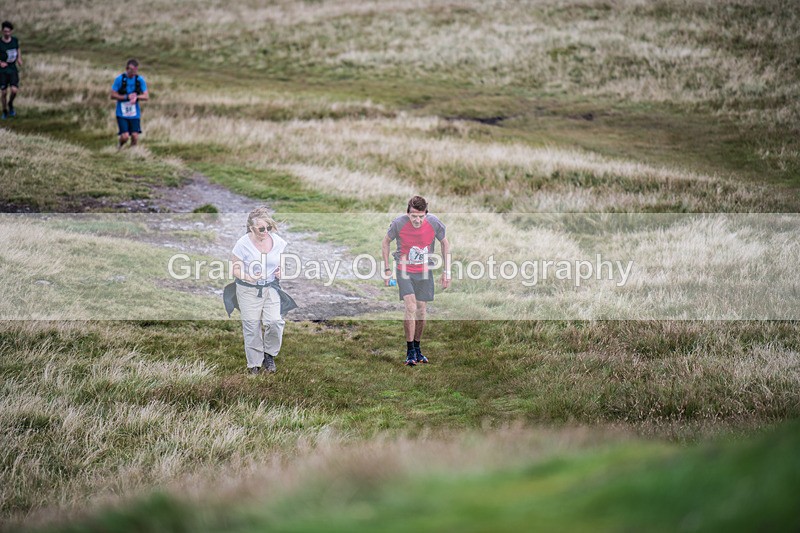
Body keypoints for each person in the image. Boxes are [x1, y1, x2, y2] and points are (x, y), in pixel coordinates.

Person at [382, 196, 451, 366]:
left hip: (425, 272)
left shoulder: (434, 222)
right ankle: (410, 350)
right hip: (404, 271)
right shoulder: (399, 223)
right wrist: (387, 270)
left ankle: (418, 348)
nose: (417, 220)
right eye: (414, 216)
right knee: (411, 306)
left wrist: (446, 271)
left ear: (426, 214)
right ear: (408, 213)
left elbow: (445, 243)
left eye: (421, 216)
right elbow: (385, 242)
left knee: (421, 310)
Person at [231, 206, 291, 375]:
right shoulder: (242, 244)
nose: (266, 231)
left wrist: (282, 271)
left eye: (269, 227)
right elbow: (235, 269)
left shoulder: (277, 241)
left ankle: (269, 354)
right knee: (251, 326)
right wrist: (248, 277)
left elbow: (280, 263)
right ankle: (254, 365)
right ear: (251, 228)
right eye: (262, 228)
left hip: (270, 287)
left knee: (275, 322)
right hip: (248, 289)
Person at [110, 59, 149, 148]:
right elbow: (112, 95)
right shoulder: (119, 79)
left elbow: (146, 96)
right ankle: (119, 146)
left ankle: (132, 154)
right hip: (122, 113)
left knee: (135, 136)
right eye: (131, 71)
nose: (133, 73)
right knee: (125, 136)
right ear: (127, 69)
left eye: (135, 71)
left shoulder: (140, 80)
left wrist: (136, 97)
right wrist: (126, 97)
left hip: (134, 114)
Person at [0, 21, 21, 120]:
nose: (6, 33)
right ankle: (4, 110)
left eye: (8, 32)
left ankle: (10, 104)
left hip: (12, 68)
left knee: (14, 90)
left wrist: (19, 59)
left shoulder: (15, 40)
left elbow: (17, 49)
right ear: (2, 31)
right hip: (3, 70)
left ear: (11, 32)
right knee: (3, 92)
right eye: (5, 31)